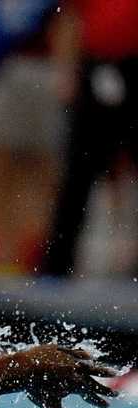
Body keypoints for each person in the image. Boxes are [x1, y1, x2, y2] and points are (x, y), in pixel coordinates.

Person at [41, 0, 138, 276]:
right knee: (79, 172)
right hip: (99, 65)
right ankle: (56, 268)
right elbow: (70, 16)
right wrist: (64, 70)